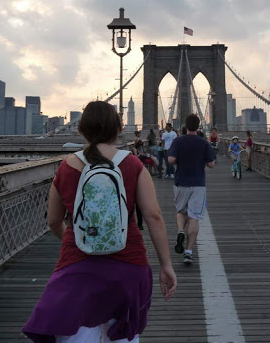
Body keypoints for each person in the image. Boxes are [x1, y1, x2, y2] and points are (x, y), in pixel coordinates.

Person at [23, 101, 176, 343]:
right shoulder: (133, 164)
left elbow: (53, 220)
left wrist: (78, 239)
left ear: (82, 129)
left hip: (78, 267)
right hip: (129, 264)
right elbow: (153, 216)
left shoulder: (66, 167)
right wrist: (166, 265)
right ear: (118, 129)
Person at [168, 114, 215, 265]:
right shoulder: (204, 143)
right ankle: (188, 252)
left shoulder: (177, 141)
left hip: (181, 182)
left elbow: (170, 160)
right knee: (194, 217)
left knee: (181, 212)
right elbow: (211, 164)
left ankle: (181, 231)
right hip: (198, 184)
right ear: (198, 126)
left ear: (186, 126)